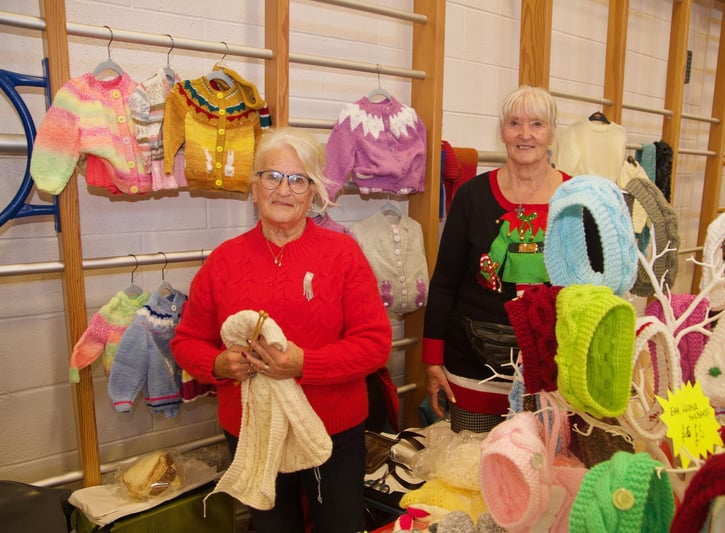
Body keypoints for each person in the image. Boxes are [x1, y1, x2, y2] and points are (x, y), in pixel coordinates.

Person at [171, 127, 393, 532]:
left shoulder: (342, 254)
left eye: (298, 180)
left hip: (333, 431)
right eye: (272, 177)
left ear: (313, 193)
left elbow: (374, 344)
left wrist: (304, 364)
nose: (284, 190)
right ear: (254, 187)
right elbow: (186, 342)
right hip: (254, 431)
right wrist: (219, 364)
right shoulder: (223, 261)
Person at [422, 86, 570, 433]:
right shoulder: (472, 196)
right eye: (514, 123)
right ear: (502, 131)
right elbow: (444, 283)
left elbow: (594, 289)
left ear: (551, 133)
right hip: (472, 371)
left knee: (541, 476)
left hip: (554, 372)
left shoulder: (576, 199)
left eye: (536, 124)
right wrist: (432, 359)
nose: (524, 134)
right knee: (469, 474)